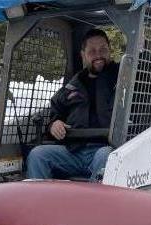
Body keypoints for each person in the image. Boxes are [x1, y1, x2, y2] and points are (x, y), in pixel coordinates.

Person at [25, 28, 119, 182]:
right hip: (74, 151)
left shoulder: (121, 76)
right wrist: (54, 124)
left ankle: (92, 204)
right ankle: (39, 204)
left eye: (103, 50)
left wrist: (143, 49)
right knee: (38, 155)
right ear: (83, 55)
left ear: (110, 51)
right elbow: (56, 113)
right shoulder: (73, 85)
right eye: (92, 51)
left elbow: (147, 75)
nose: (98, 55)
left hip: (106, 149)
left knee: (105, 156)